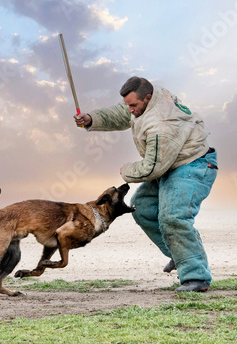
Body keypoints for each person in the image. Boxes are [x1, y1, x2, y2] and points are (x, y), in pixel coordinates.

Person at [73, 76, 218, 292]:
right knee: (142, 208)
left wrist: (127, 171)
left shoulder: (161, 124)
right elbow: (122, 113)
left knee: (173, 217)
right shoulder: (148, 98)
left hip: (193, 165)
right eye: (128, 104)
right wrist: (91, 119)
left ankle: (196, 278)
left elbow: (153, 168)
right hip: (172, 164)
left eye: (134, 105)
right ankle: (179, 257)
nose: (130, 110)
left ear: (148, 98)